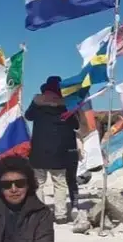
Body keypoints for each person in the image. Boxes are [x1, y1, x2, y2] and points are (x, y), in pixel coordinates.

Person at [24, 76, 79, 223]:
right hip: (59, 151)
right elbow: (76, 125)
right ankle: (60, 215)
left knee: (38, 183)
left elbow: (28, 116)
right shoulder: (67, 105)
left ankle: (39, 214)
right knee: (59, 183)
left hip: (39, 150)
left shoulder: (37, 103)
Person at [0, 155, 55, 242]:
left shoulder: (41, 213)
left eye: (20, 183)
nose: (14, 189)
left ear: (28, 185)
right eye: (7, 185)